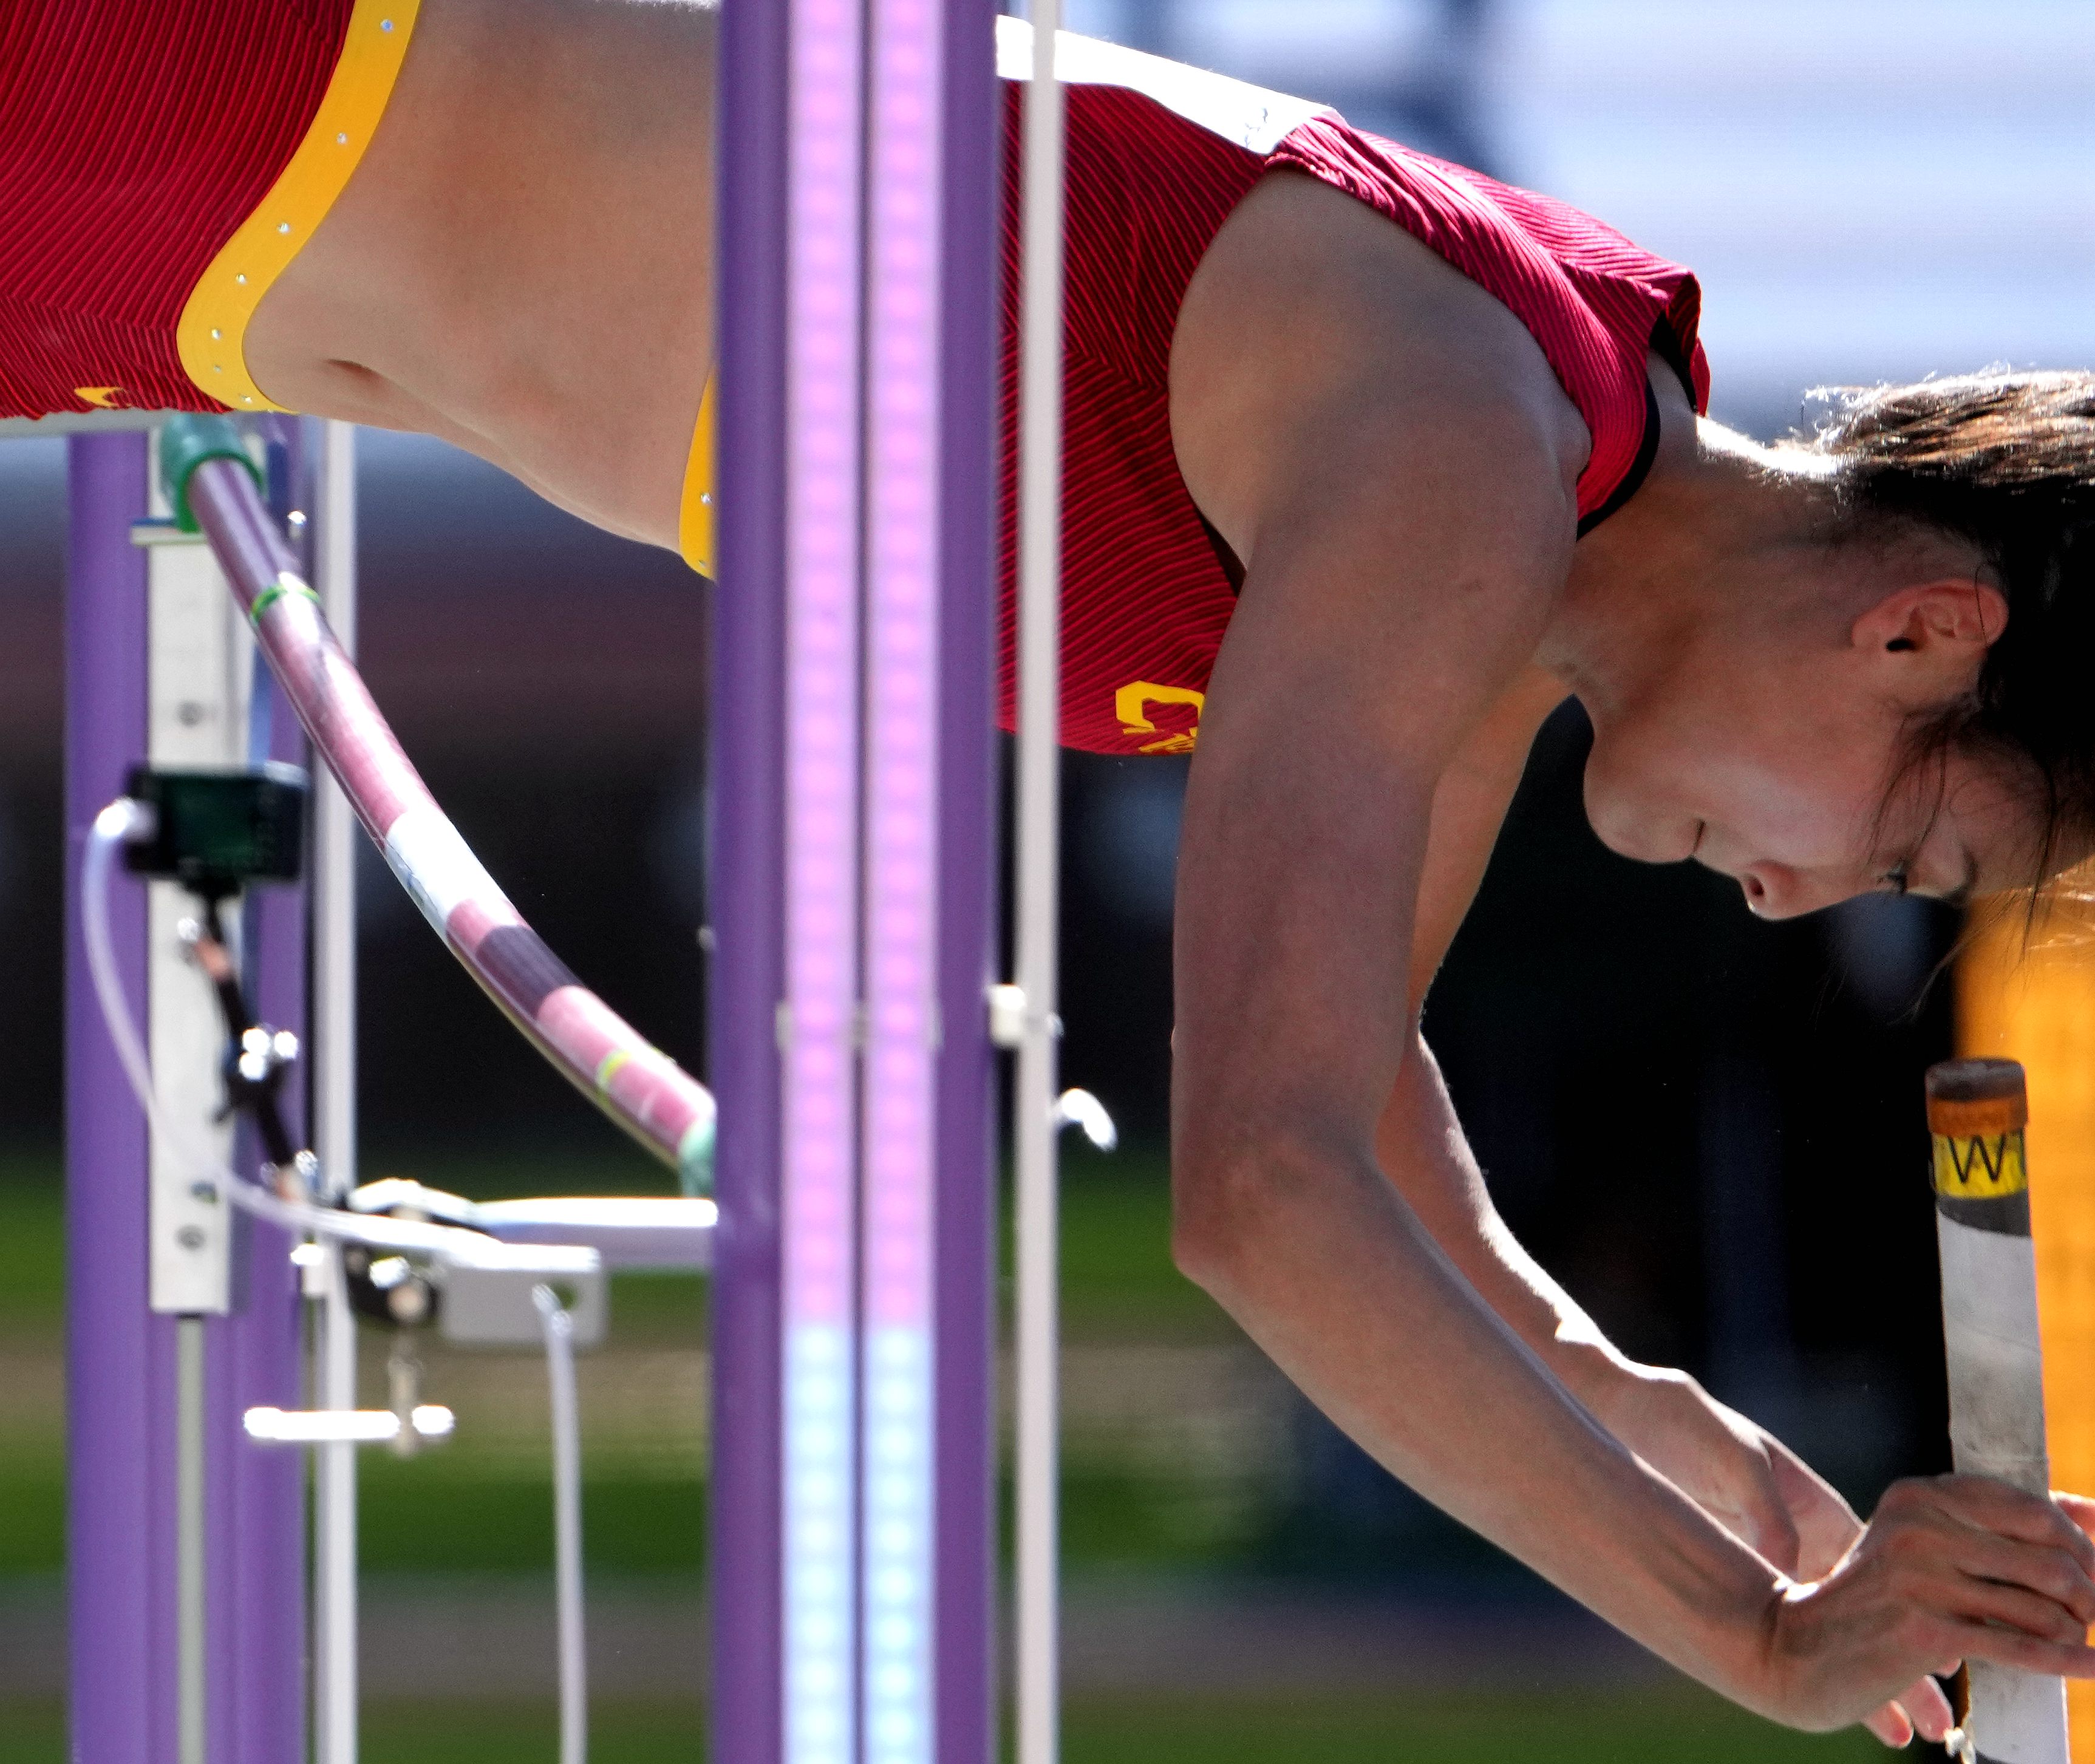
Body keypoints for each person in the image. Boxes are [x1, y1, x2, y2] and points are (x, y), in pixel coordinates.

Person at [11, 0, 2095, 1745]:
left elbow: (1370, 1128)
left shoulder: (1535, 521)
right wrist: (1747, 1635)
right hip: (208, 102)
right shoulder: (1463, 460)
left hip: (188, 255)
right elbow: (1262, 1189)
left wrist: (1665, 1435)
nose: (1810, 897)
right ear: (1915, 630)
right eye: (1913, 844)